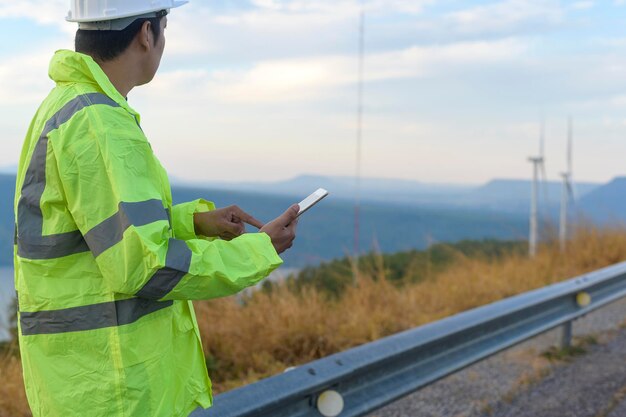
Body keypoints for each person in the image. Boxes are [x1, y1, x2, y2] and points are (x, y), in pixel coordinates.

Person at [13, 1, 298, 416]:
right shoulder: (100, 123)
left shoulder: (65, 106)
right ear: (147, 33)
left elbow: (101, 230)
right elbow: (146, 264)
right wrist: (260, 249)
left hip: (84, 378)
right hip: (115, 385)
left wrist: (194, 222)